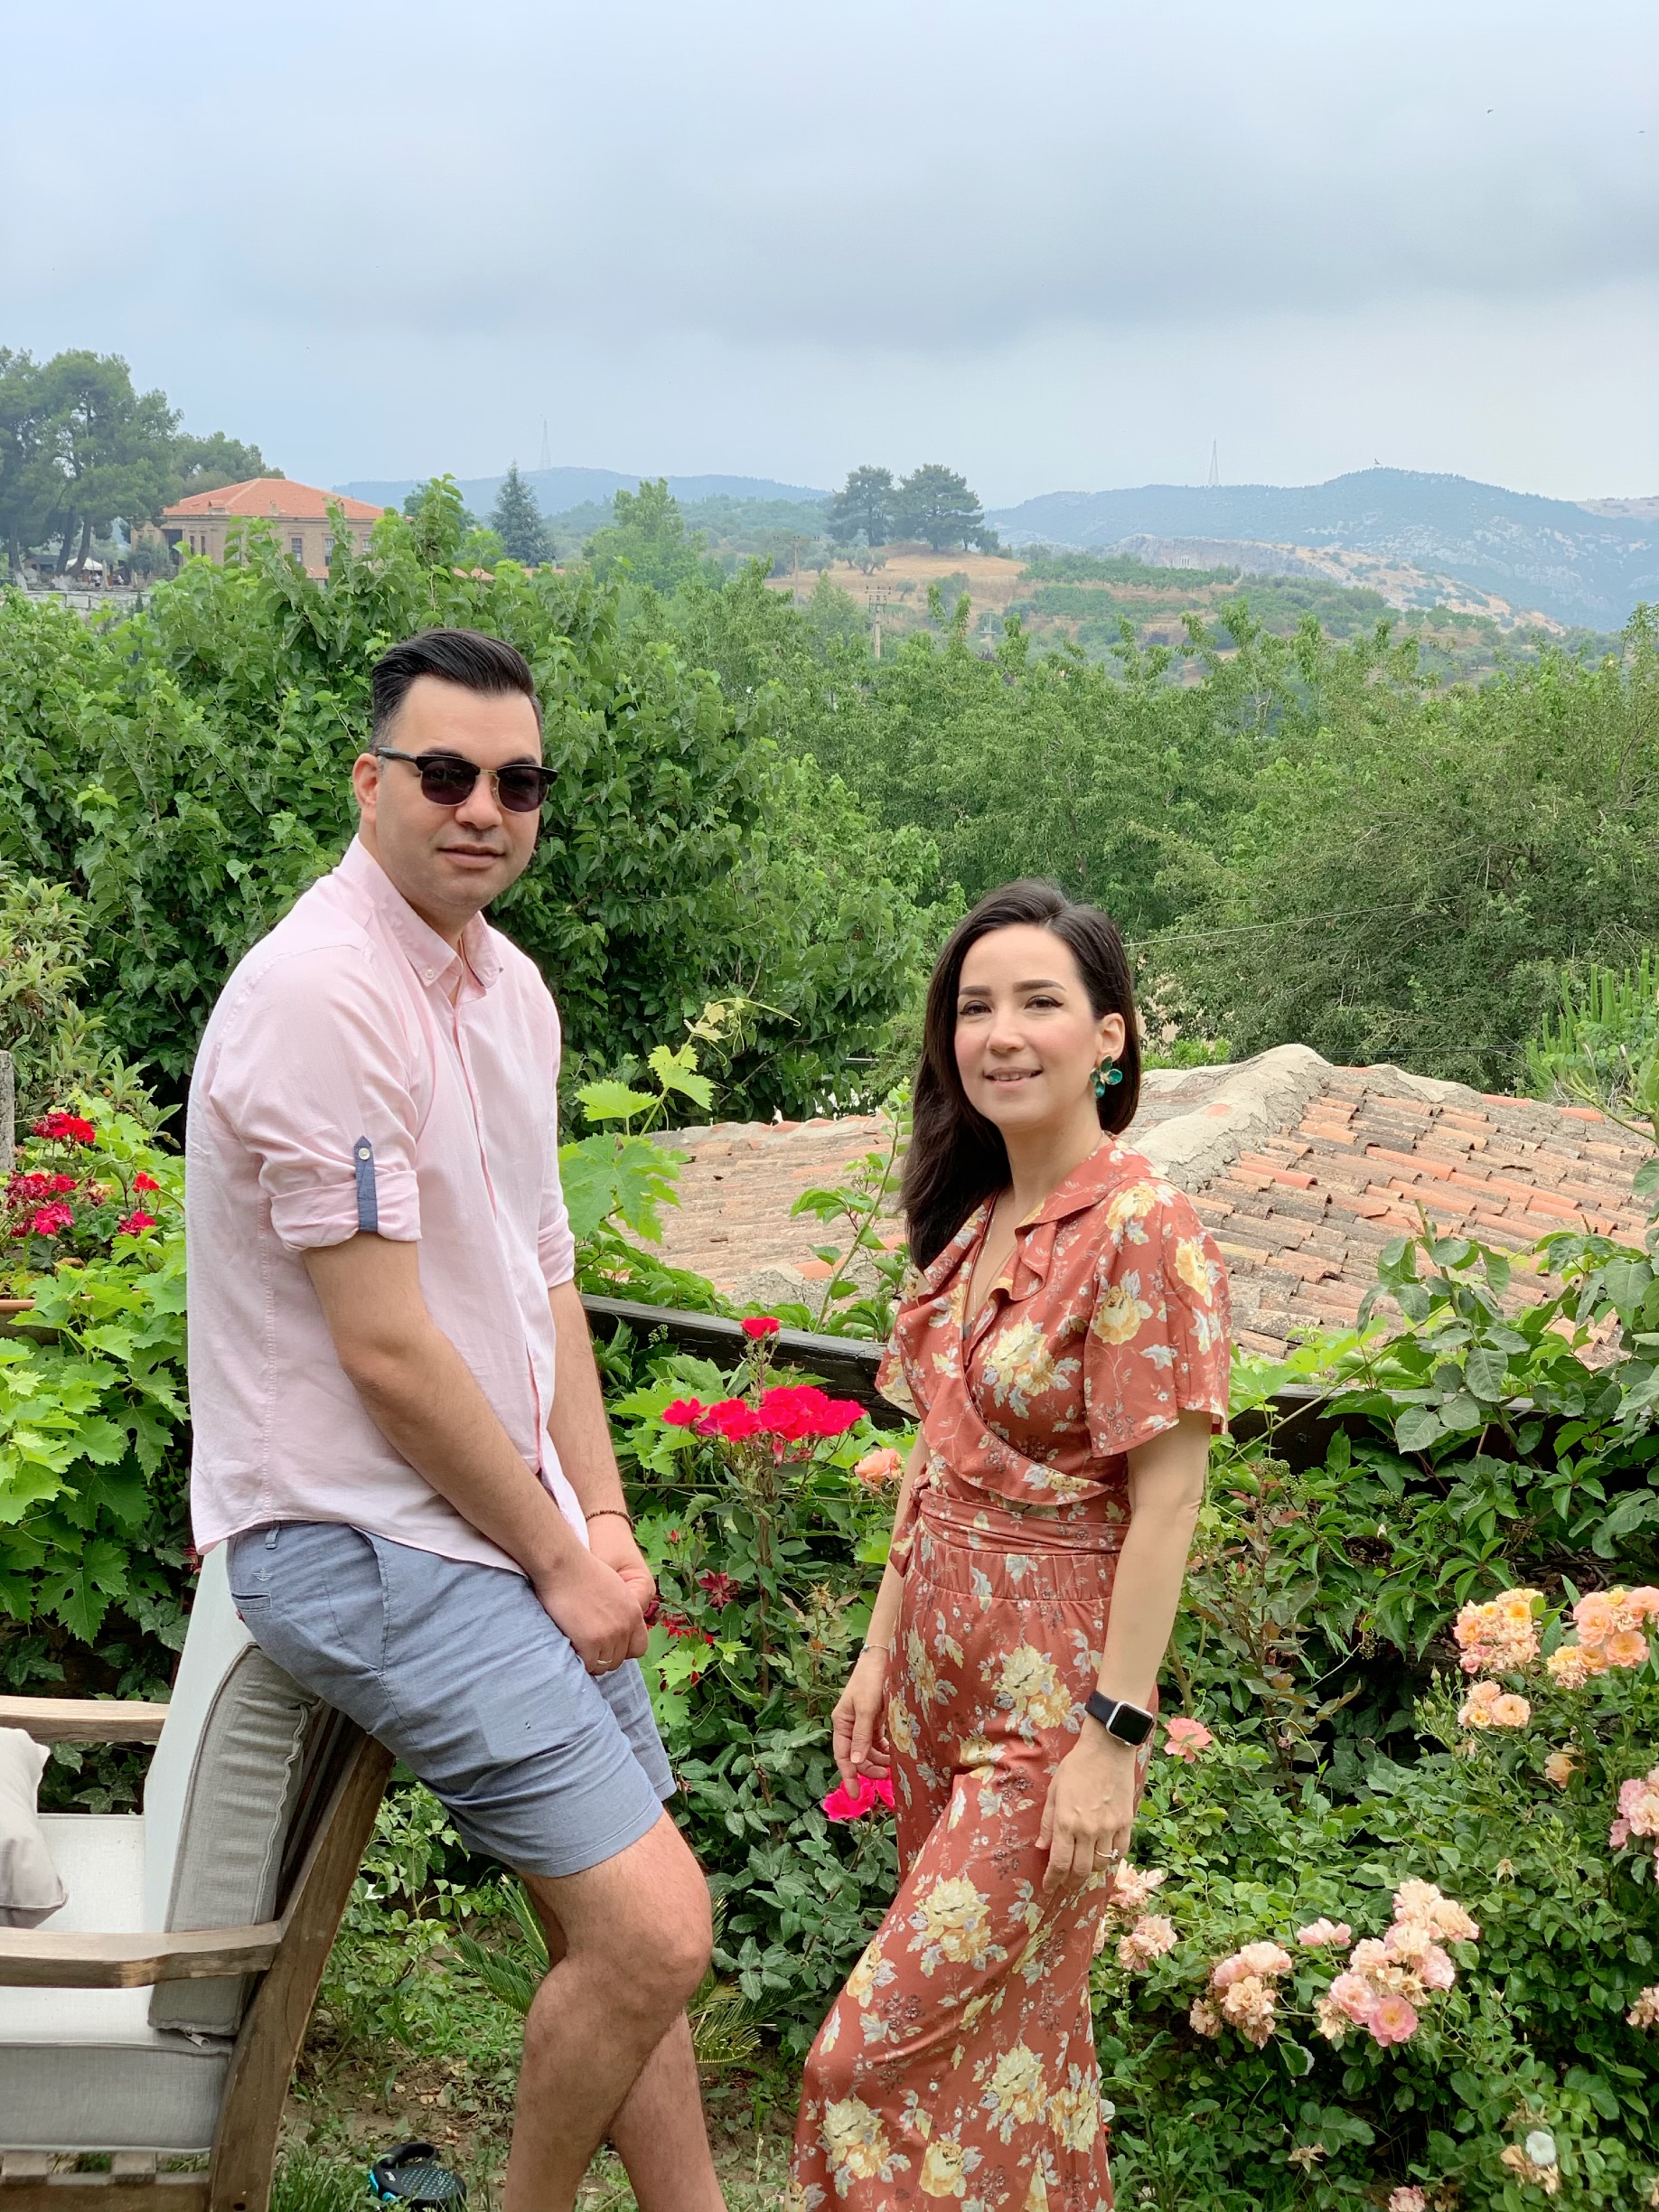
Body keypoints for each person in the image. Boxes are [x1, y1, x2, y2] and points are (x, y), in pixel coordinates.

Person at [185, 628, 725, 2212]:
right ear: (371, 784)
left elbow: (542, 1272)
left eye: (518, 782)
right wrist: (558, 1559)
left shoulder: (508, 990)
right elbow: (388, 1351)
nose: (483, 807)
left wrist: (601, 1521)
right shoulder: (321, 995)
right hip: (358, 1532)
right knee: (657, 1932)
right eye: (445, 773)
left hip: (493, 1522)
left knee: (626, 1930)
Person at [790, 881, 1232, 2211]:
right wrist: (879, 1651)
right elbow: (940, 1452)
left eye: (1040, 1002)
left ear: (1110, 1036)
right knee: (1019, 2046)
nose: (1001, 1033)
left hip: (1051, 1709)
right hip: (939, 1679)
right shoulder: (976, 1219)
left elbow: (1168, 1502)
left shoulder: (1144, 1229)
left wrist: (1115, 1734)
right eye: (974, 1006)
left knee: (859, 2062)